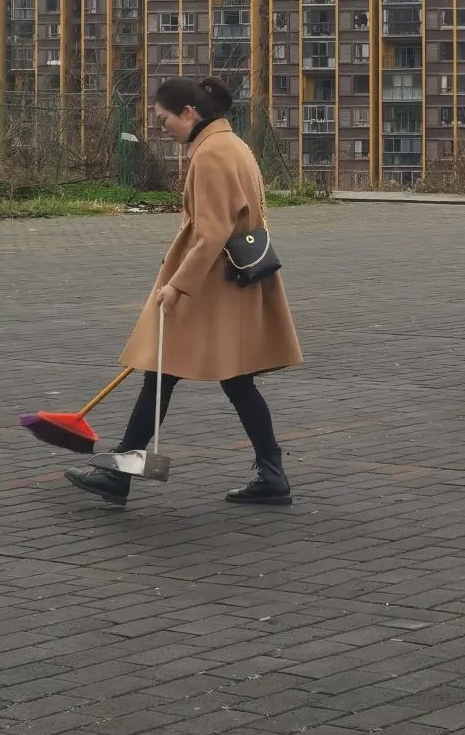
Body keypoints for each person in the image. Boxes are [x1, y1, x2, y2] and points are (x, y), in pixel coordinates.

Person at [64, 76, 304, 507]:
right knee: (218, 378)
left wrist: (176, 286)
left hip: (209, 287)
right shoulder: (234, 145)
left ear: (189, 113)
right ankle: (271, 474)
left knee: (168, 372)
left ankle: (120, 476)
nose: (162, 128)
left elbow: (211, 232)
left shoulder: (210, 154)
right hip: (231, 283)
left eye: (164, 119)